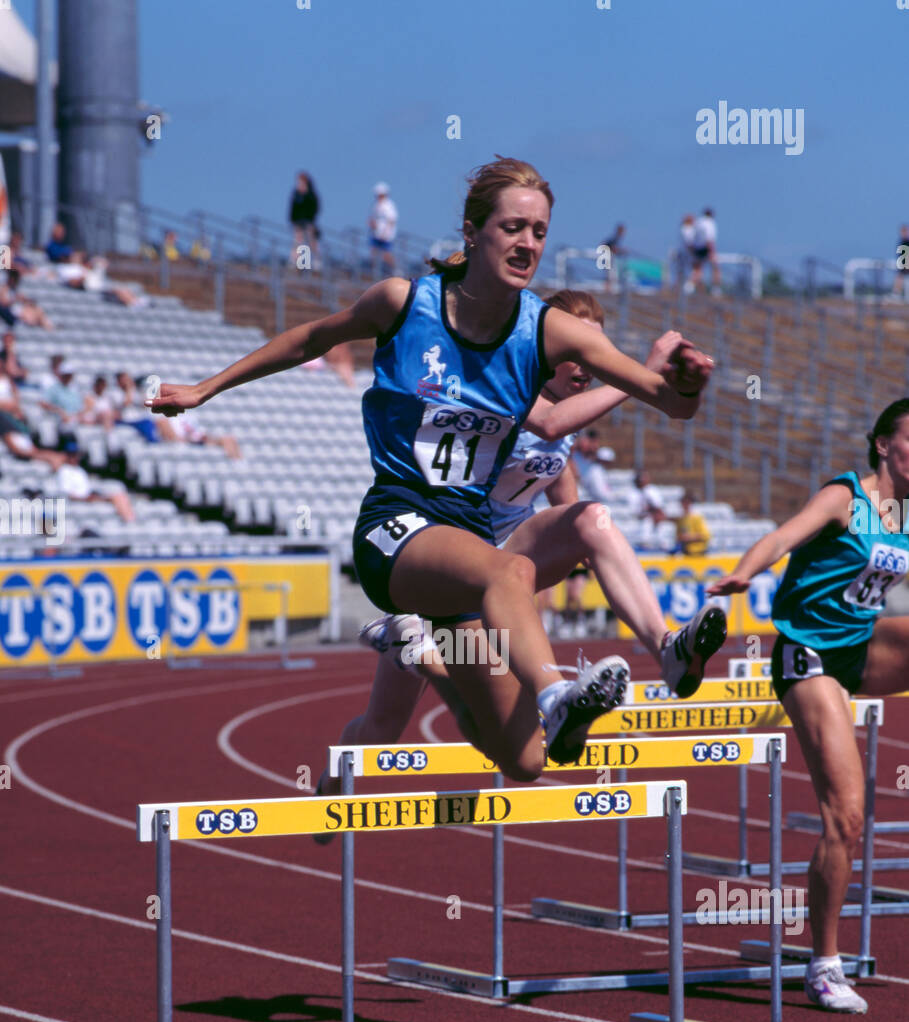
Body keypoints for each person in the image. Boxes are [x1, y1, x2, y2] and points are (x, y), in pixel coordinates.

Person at [148, 156, 713, 781]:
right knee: (512, 572)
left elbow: (668, 402)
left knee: (524, 762)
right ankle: (557, 695)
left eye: (540, 232)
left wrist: (687, 383)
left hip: (470, 548)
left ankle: (439, 660)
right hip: (396, 532)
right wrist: (207, 388)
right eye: (513, 227)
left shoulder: (551, 332)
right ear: (472, 232)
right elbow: (313, 338)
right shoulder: (402, 303)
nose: (527, 243)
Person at [314, 290, 725, 809]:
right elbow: (551, 424)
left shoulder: (572, 425)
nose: (588, 364)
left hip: (505, 562)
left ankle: (668, 648)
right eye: (575, 351)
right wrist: (639, 374)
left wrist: (578, 560)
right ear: (545, 349)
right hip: (443, 560)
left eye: (597, 349)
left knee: (595, 519)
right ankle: (333, 782)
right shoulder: (509, 383)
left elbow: (565, 491)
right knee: (383, 728)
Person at [708, 399, 909, 1014]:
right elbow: (781, 536)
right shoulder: (844, 497)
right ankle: (823, 966)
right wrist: (743, 574)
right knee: (847, 819)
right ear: (883, 445)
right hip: (809, 654)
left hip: (860, 649)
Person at [289, 171, 321, 269]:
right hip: (298, 222)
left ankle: (316, 262)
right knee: (298, 242)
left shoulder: (311, 194)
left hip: (309, 222)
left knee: (312, 242)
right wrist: (293, 219)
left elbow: (315, 207)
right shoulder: (296, 194)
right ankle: (296, 262)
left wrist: (311, 219)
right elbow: (292, 208)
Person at [632, 469, 667, 549]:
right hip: (642, 519)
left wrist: (657, 515)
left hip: (654, 518)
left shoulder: (653, 490)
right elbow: (635, 512)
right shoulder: (633, 493)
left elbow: (659, 507)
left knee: (661, 528)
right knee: (646, 523)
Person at [368, 183, 398, 278]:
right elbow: (374, 217)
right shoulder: (377, 205)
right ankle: (374, 272)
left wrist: (386, 233)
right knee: (374, 252)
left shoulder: (388, 205)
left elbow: (391, 220)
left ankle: (395, 270)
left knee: (386, 254)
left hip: (385, 234)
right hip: (376, 233)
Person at [690, 207, 719, 293]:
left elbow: (693, 236)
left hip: (696, 248)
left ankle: (689, 287)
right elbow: (709, 238)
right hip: (706, 248)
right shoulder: (710, 223)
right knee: (716, 268)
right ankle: (715, 288)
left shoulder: (698, 222)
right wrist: (712, 251)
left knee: (698, 269)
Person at [675, 489, 711, 555]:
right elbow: (678, 537)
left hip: (699, 552)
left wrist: (689, 537)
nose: (685, 505)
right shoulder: (681, 519)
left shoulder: (697, 518)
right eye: (683, 503)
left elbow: (706, 535)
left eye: (687, 503)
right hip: (686, 552)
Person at [893, 224, 909, 303]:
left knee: (900, 277)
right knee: (899, 277)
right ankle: (896, 294)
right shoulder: (902, 242)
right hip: (903, 264)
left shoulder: (906, 242)